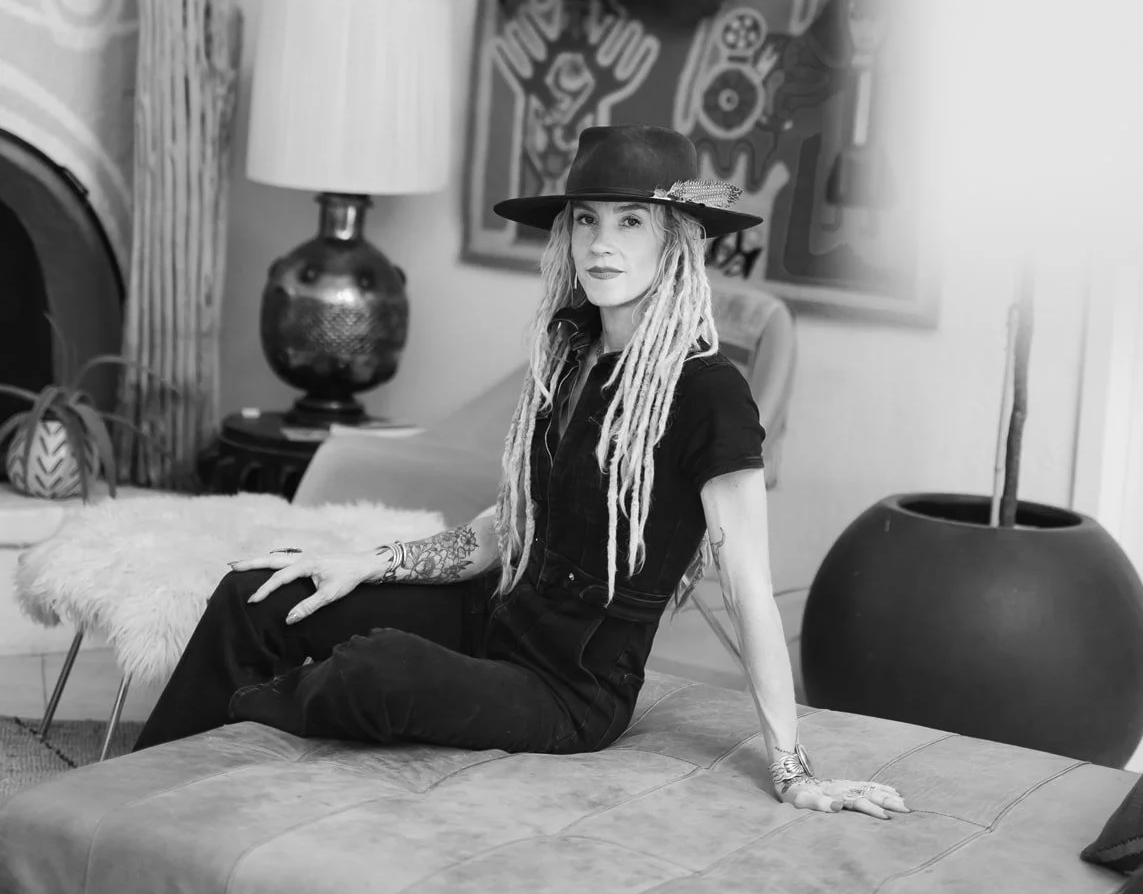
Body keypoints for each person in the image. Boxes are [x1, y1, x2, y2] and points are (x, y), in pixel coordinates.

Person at [134, 124, 907, 820]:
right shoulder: (567, 357)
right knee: (259, 592)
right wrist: (366, 563)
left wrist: (792, 770)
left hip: (568, 689)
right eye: (585, 220)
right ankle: (133, 792)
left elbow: (747, 589)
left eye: (630, 221)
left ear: (674, 240)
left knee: (377, 670)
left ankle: (226, 731)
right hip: (491, 618)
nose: (601, 243)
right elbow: (503, 528)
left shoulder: (708, 393)